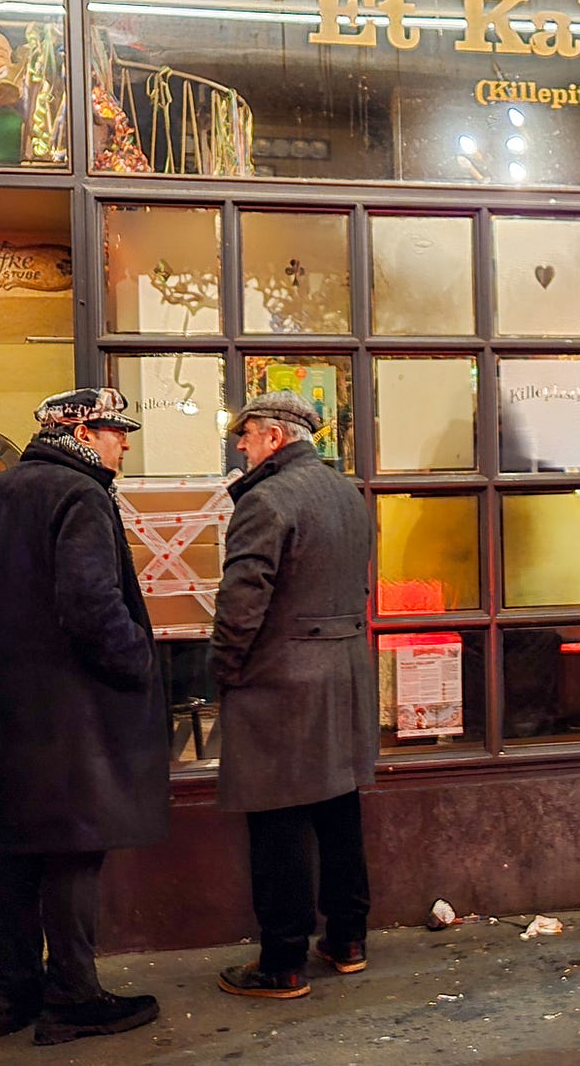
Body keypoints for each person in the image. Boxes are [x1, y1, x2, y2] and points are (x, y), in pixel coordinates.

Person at [0, 388, 167, 1045]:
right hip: (79, 714)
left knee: (20, 848)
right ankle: (73, 995)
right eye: (116, 431)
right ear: (84, 433)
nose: (124, 442)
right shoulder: (80, 496)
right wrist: (137, 663)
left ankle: (13, 994)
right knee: (72, 850)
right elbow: (92, 605)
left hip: (12, 710)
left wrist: (7, 654)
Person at [211, 390, 377, 1000]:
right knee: (338, 809)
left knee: (277, 819)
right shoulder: (347, 492)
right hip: (343, 673)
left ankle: (282, 961)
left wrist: (223, 669)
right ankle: (348, 939)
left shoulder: (267, 499)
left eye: (246, 435)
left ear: (274, 438)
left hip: (280, 680)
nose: (240, 446)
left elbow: (241, 602)